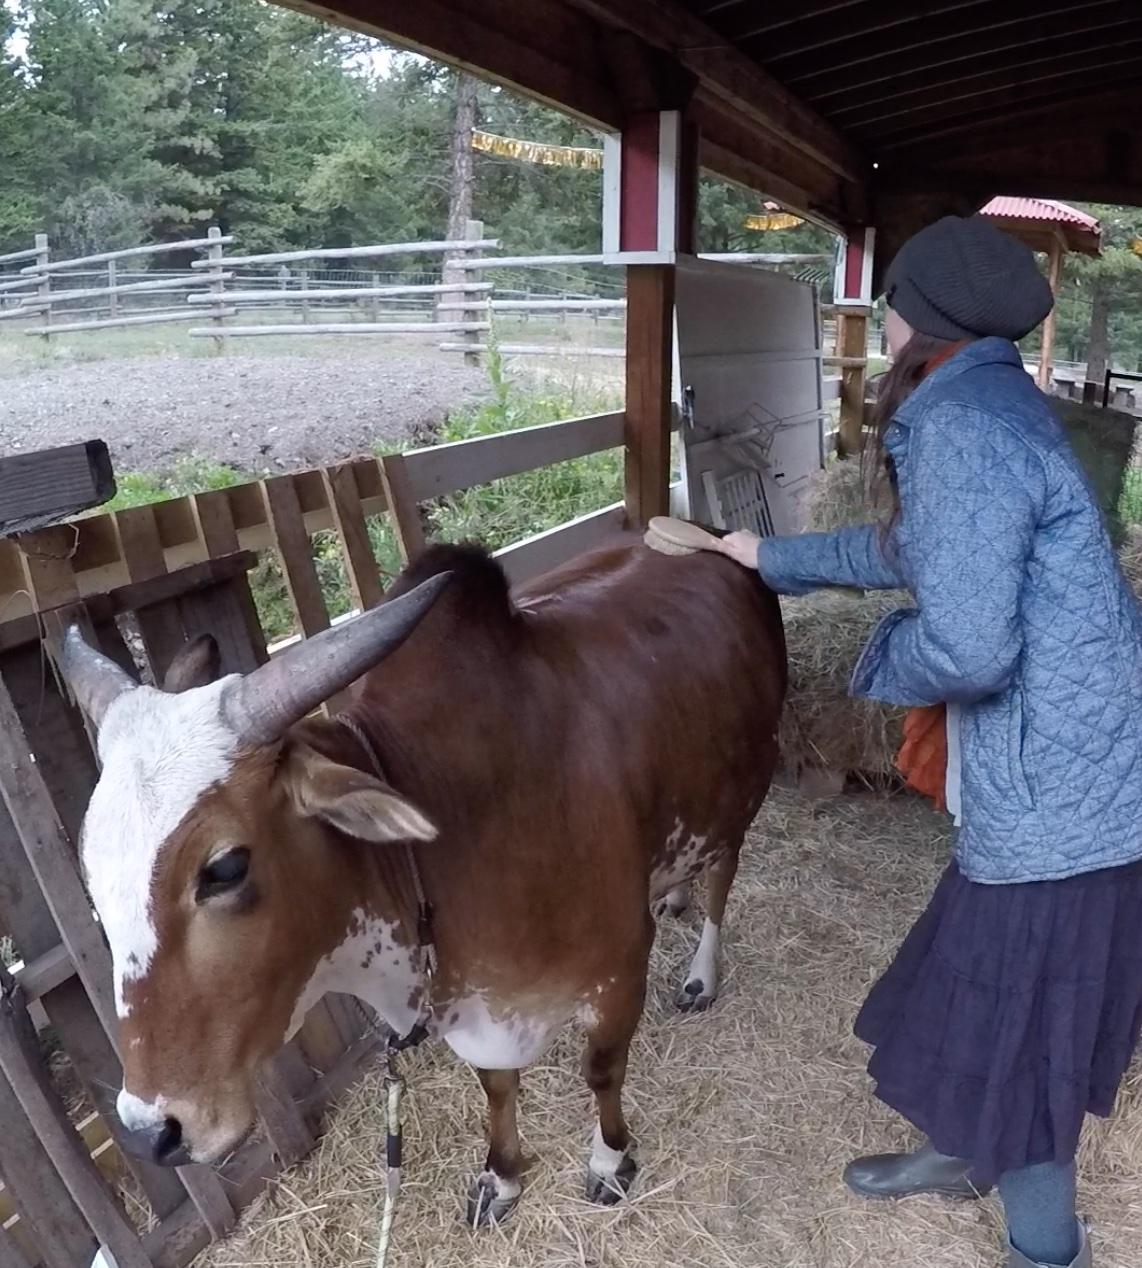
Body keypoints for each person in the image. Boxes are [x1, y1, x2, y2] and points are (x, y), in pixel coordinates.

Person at [717, 215, 1142, 1268]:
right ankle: (962, 1147)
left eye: (892, 300)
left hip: (1059, 789)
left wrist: (872, 659)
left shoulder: (960, 425)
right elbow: (921, 547)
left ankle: (1047, 1250)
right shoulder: (991, 400)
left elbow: (967, 645)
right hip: (1071, 763)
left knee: (1024, 1020)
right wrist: (769, 557)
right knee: (980, 976)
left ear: (923, 314)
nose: (884, 318)